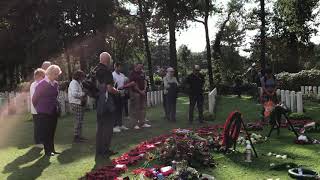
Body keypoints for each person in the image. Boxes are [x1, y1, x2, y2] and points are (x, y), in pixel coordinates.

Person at [32, 65, 62, 156]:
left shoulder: (55, 84)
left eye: (57, 74)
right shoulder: (41, 84)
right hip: (44, 111)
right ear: (50, 73)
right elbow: (34, 99)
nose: (57, 76)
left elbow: (55, 96)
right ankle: (47, 151)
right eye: (56, 74)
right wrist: (39, 108)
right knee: (46, 131)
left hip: (53, 110)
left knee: (52, 130)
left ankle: (52, 149)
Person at [95, 52, 119, 157]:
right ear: (107, 60)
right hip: (106, 102)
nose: (110, 62)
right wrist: (118, 92)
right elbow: (109, 88)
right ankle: (105, 150)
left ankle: (99, 150)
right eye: (110, 60)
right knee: (108, 127)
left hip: (98, 102)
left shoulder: (94, 70)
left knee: (100, 127)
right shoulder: (107, 71)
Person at [129, 63, 151, 130]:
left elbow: (145, 81)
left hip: (143, 92)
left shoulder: (142, 72)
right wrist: (140, 91)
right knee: (136, 109)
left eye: (142, 66)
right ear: (136, 66)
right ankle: (134, 124)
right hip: (135, 93)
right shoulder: (132, 73)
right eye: (140, 66)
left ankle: (142, 123)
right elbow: (133, 84)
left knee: (143, 108)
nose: (141, 67)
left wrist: (144, 89)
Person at [68, 70, 87, 143]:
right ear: (78, 76)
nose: (83, 78)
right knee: (78, 120)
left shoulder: (78, 83)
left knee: (80, 120)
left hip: (78, 103)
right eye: (82, 76)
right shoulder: (74, 83)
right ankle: (76, 137)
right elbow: (74, 93)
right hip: (76, 103)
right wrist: (83, 93)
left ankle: (79, 136)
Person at [30, 68, 46, 146]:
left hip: (41, 108)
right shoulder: (34, 85)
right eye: (42, 76)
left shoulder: (40, 84)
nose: (43, 77)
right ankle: (38, 142)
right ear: (38, 76)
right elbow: (35, 97)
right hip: (36, 109)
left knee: (42, 125)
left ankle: (42, 140)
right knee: (38, 126)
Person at [112, 62, 129, 133]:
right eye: (119, 67)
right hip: (116, 92)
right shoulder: (112, 75)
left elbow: (125, 82)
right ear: (115, 67)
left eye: (121, 67)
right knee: (116, 109)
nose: (121, 68)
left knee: (121, 109)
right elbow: (112, 85)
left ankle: (120, 124)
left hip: (123, 92)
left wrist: (125, 89)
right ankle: (115, 126)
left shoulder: (122, 75)